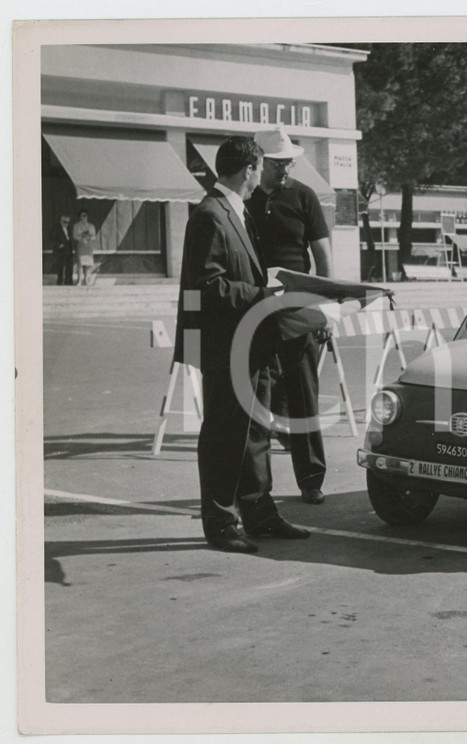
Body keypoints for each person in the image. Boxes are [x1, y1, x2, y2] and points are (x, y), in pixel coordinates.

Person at [173, 135, 339, 553]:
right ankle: (221, 522)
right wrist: (265, 293)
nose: (259, 177)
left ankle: (259, 512)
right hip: (227, 346)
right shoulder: (210, 215)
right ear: (249, 170)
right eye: (258, 170)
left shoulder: (234, 211)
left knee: (256, 432)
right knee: (226, 436)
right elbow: (208, 286)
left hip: (253, 341)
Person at [246, 127, 333, 505]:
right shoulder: (243, 200)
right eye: (278, 162)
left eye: (289, 162)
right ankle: (255, 489)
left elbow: (323, 257)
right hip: (255, 311)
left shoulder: (304, 196)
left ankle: (311, 480)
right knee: (255, 402)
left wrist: (325, 309)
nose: (285, 169)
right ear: (259, 162)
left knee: (304, 397)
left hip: (299, 311)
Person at [71, 209, 97, 286]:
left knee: (88, 264)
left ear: (87, 216)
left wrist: (89, 237)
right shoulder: (76, 226)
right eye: (82, 215)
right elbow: (74, 236)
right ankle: (79, 280)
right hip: (80, 246)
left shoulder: (91, 226)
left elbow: (94, 236)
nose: (84, 217)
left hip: (88, 246)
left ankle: (86, 280)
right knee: (80, 264)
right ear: (80, 217)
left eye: (85, 215)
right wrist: (81, 237)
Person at [49, 213, 73, 285]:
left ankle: (68, 281)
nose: (66, 224)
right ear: (61, 220)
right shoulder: (56, 228)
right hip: (60, 251)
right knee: (60, 266)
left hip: (68, 250)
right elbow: (51, 239)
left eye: (67, 222)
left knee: (69, 266)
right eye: (64, 222)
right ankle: (60, 281)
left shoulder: (68, 228)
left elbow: (70, 238)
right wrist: (59, 245)